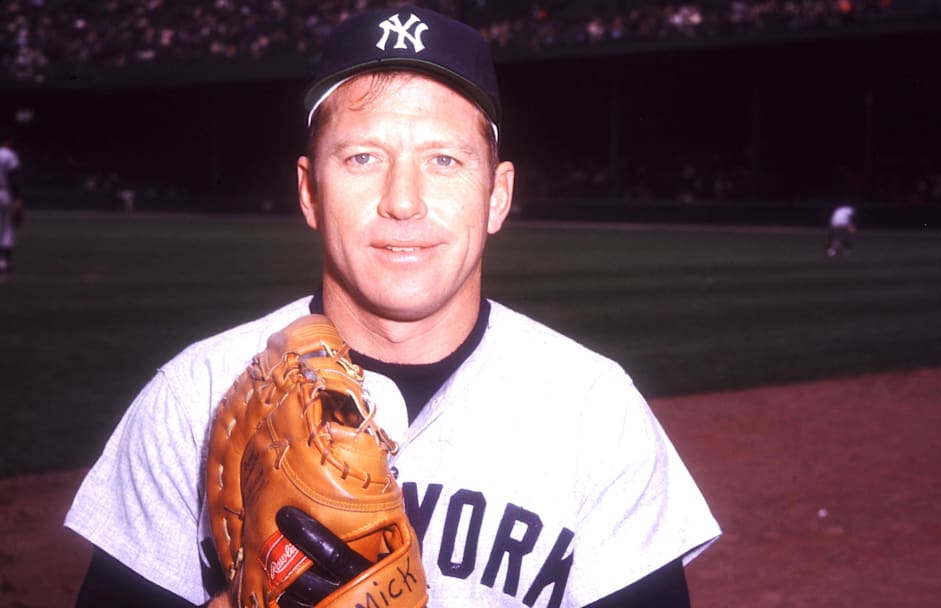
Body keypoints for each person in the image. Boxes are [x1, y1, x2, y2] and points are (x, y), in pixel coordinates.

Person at [65, 6, 720, 607]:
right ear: (309, 191)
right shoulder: (195, 395)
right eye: (362, 157)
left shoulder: (597, 411)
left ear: (496, 196)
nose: (403, 201)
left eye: (443, 159)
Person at [0, 131, 23, 275]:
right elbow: (15, 178)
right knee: (9, 226)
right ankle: (4, 261)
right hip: (4, 193)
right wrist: (18, 198)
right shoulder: (9, 155)